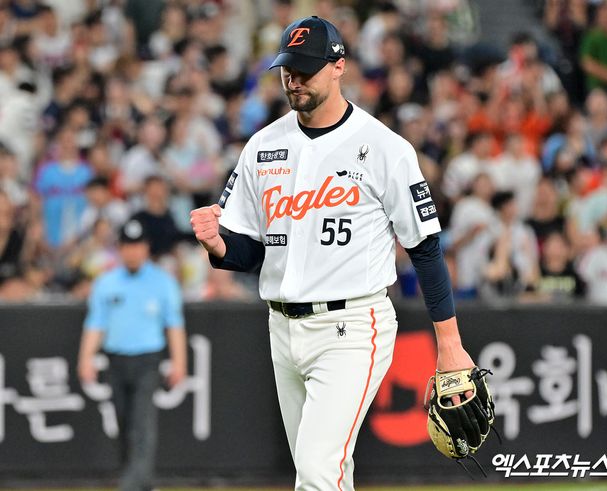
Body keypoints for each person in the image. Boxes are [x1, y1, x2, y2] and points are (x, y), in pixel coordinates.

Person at [190, 16, 477, 491]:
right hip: (282, 327)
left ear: (338, 66)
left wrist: (449, 344)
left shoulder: (384, 147)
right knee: (330, 472)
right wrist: (218, 245)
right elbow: (253, 251)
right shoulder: (263, 146)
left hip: (353, 326)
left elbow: (425, 249)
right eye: (288, 70)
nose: (294, 80)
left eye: (306, 69)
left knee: (316, 469)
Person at [77, 219, 187, 491]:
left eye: (138, 246)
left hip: (148, 359)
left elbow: (174, 325)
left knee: (142, 422)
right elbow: (96, 323)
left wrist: (179, 362)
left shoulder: (162, 282)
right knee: (124, 422)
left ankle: (130, 485)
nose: (133, 252)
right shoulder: (107, 283)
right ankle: (139, 480)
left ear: (146, 248)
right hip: (116, 359)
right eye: (127, 246)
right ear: (120, 248)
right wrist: (86, 358)